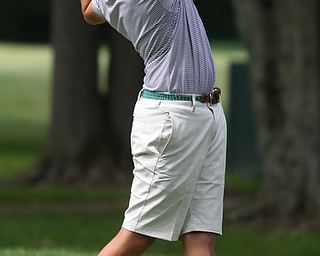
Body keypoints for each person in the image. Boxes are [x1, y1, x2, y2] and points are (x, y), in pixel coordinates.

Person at [80, 1, 227, 255]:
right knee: (137, 236)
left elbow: (89, 11)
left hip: (204, 113)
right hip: (174, 120)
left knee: (201, 237)